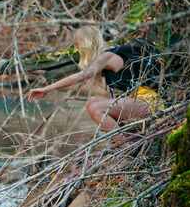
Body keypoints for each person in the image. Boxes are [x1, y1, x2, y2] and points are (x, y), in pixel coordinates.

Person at [26, 26, 163, 135]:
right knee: (93, 102)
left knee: (95, 107)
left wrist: (47, 89)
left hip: (149, 102)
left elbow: (82, 76)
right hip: (140, 102)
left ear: (86, 43)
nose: (77, 49)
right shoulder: (108, 59)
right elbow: (93, 88)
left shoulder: (107, 56)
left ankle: (122, 144)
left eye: (77, 45)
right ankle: (123, 140)